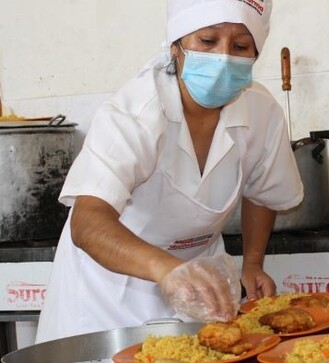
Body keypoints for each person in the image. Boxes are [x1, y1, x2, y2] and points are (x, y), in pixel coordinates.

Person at [35, 0, 303, 343]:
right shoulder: (136, 111)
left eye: (239, 46)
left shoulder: (261, 111)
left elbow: (264, 190)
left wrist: (252, 263)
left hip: (200, 287)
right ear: (176, 45)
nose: (223, 58)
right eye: (207, 41)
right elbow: (87, 223)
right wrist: (167, 270)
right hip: (109, 297)